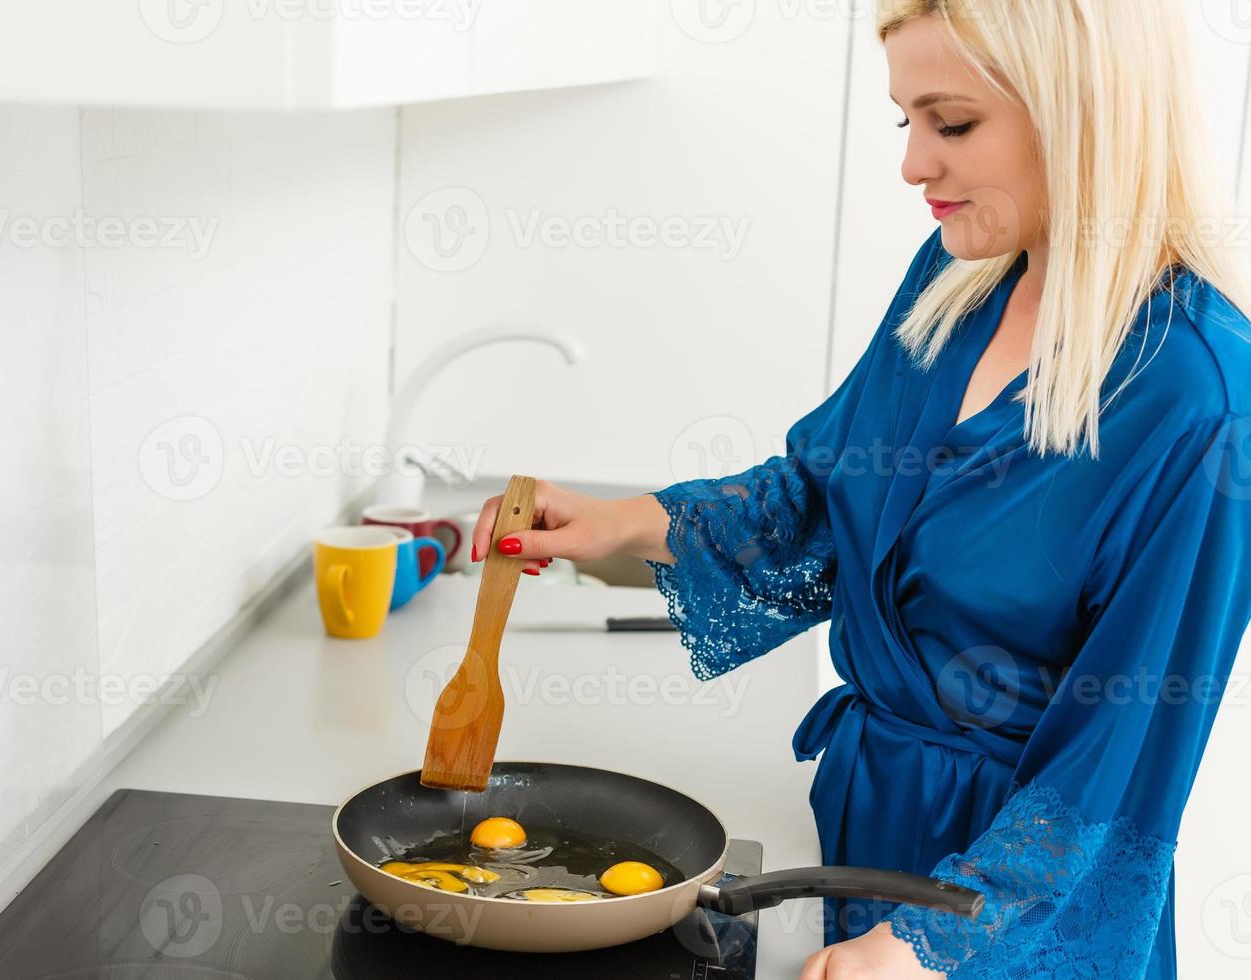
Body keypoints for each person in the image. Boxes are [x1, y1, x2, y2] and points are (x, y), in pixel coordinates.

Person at [469, 1, 1251, 976]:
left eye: (952, 123)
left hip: (1017, 909)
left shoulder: (1201, 399)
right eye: (905, 122)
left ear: (1083, 111)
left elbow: (1122, 760)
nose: (914, 164)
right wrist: (627, 520)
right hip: (870, 822)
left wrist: (933, 946)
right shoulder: (958, 279)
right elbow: (832, 497)